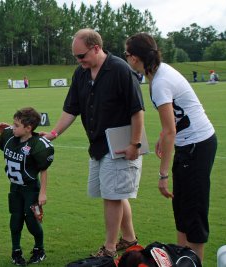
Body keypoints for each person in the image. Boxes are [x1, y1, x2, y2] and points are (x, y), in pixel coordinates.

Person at [43, 28, 144, 258]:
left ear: (96, 48)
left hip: (120, 143)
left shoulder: (120, 70)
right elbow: (71, 109)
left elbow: (137, 111)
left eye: (82, 56)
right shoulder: (81, 74)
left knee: (112, 196)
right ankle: (129, 239)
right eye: (76, 57)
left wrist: (135, 145)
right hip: (98, 145)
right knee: (115, 193)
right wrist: (53, 133)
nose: (79, 61)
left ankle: (109, 249)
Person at [125, 32, 217, 263]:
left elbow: (170, 131)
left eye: (127, 54)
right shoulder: (156, 75)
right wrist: (162, 135)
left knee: (193, 208)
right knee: (181, 205)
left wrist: (162, 175)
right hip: (189, 143)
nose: (126, 58)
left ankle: (195, 261)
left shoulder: (161, 81)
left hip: (197, 144)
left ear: (135, 58)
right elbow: (172, 120)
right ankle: (181, 256)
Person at [0, 107, 55, 266]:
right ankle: (16, 251)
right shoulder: (10, 137)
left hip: (31, 189)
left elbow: (43, 169)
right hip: (15, 188)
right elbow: (1, 144)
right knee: (15, 219)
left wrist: (43, 193)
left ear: (28, 128)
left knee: (32, 220)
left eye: (16, 125)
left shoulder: (37, 145)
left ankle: (39, 249)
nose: (12, 127)